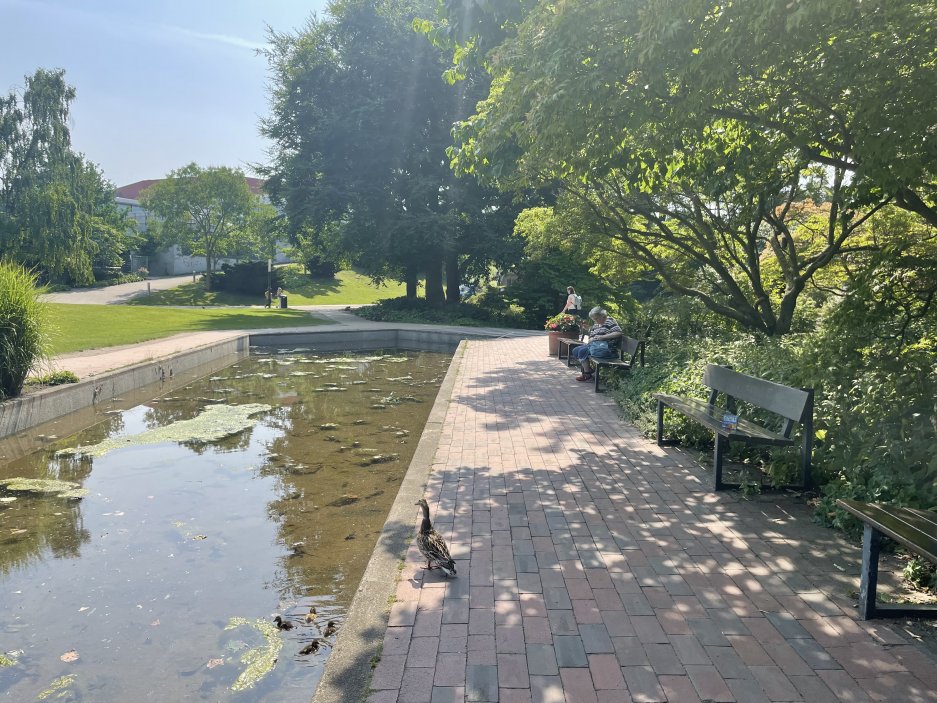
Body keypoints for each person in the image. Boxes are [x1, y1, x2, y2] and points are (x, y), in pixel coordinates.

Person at [572, 307, 622, 382]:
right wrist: (591, 339)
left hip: (606, 348)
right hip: (594, 345)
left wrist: (603, 337)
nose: (595, 321)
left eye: (597, 318)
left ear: (602, 316)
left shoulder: (609, 321)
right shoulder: (596, 324)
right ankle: (588, 370)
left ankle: (587, 374)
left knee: (582, 351)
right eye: (594, 319)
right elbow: (591, 337)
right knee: (575, 350)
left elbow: (618, 332)